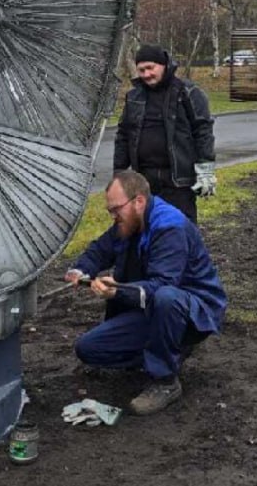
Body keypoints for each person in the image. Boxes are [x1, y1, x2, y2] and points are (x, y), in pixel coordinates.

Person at [66, 170, 227, 415]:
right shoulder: (129, 223)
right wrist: (79, 270)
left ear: (138, 201)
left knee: (166, 297)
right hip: (155, 307)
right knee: (88, 349)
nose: (113, 216)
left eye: (115, 209)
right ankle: (168, 351)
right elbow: (101, 249)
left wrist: (116, 292)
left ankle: (165, 381)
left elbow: (162, 285)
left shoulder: (170, 227)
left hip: (193, 310)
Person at [114, 44, 216, 223]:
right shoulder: (134, 97)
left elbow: (203, 131)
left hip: (178, 181)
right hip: (144, 181)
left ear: (164, 65)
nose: (146, 74)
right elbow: (124, 135)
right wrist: (119, 173)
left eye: (150, 68)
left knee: (180, 229)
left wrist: (205, 169)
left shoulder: (188, 92)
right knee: (145, 229)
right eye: (141, 70)